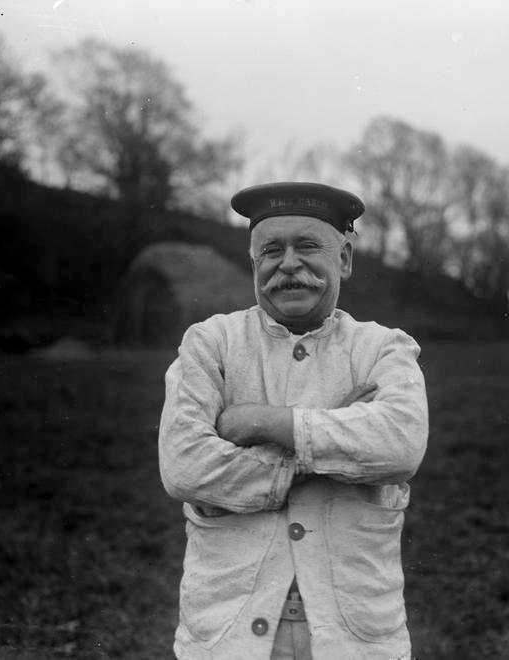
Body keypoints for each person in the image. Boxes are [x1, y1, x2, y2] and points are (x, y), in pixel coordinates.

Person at [158, 181, 429, 659]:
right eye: (270, 251)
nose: (288, 265)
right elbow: (184, 466)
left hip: (354, 638)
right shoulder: (211, 344)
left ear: (344, 258)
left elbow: (400, 447)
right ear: (254, 262)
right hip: (227, 635)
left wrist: (260, 423)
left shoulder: (383, 348)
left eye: (307, 246)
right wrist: (327, 438)